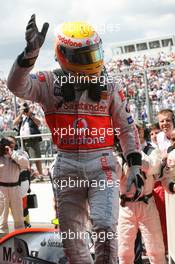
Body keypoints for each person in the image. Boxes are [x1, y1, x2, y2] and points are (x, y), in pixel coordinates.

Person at [7, 15, 144, 264]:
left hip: (102, 163)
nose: (91, 61)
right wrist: (30, 53)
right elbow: (16, 86)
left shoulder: (109, 85)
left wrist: (134, 162)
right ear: (64, 54)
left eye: (94, 53)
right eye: (84, 56)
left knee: (104, 227)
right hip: (66, 162)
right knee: (72, 240)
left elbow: (126, 126)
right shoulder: (49, 81)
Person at [116, 146, 175, 264]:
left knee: (156, 250)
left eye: (137, 129)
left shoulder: (150, 151)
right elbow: (115, 174)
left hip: (147, 203)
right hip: (126, 205)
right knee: (124, 251)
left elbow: (156, 168)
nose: (134, 132)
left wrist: (135, 159)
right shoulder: (118, 152)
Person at [0, 137, 29, 233]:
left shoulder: (19, 154)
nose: (7, 145)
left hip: (15, 188)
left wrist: (12, 154)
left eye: (10, 143)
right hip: (1, 189)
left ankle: (20, 240)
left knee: (19, 218)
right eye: (6, 142)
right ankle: (2, 242)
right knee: (2, 219)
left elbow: (25, 163)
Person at [13, 102, 43, 180]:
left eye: (25, 108)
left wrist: (30, 115)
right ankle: (28, 176)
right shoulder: (21, 118)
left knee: (36, 158)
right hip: (23, 141)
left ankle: (40, 175)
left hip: (32, 140)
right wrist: (20, 114)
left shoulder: (32, 115)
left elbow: (39, 122)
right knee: (25, 160)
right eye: (22, 108)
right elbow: (14, 123)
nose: (24, 110)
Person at [7, 136, 31, 228]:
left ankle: (26, 224)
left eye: (11, 142)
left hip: (22, 182)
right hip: (8, 185)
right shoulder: (2, 154)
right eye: (7, 142)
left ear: (15, 143)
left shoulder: (22, 153)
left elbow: (26, 166)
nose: (9, 144)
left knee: (22, 205)